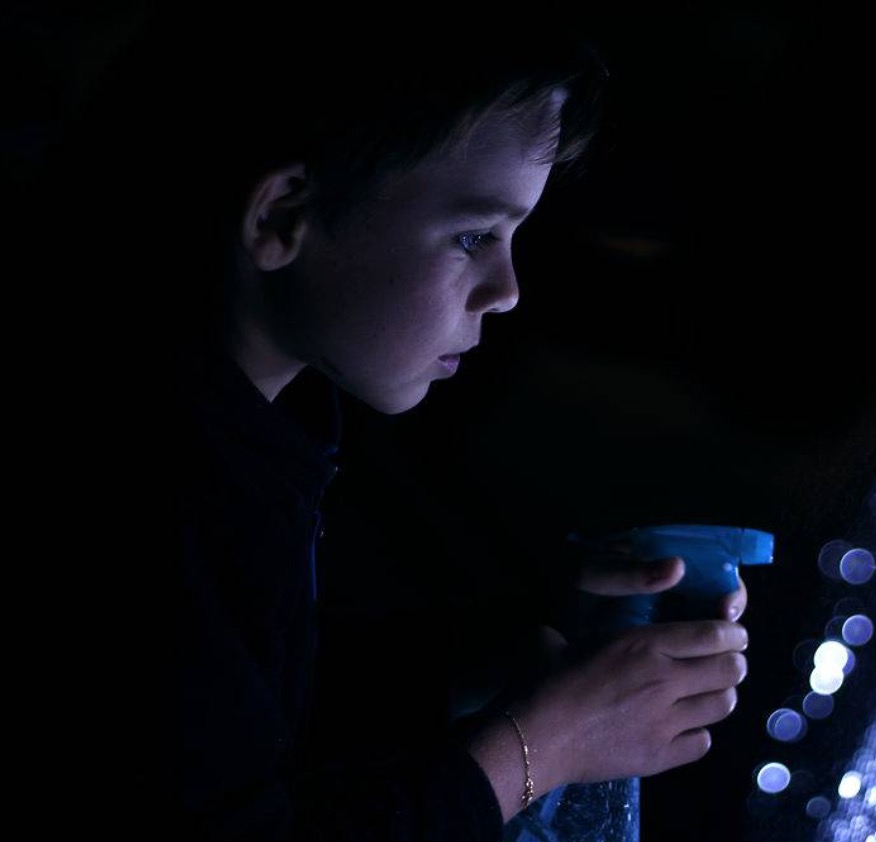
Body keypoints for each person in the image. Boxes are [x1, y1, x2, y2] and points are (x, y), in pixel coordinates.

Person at [35, 6, 751, 838]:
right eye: (473, 235)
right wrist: (543, 744)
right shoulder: (126, 474)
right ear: (280, 219)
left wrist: (502, 653)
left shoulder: (261, 419)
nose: (507, 289)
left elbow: (229, 718)